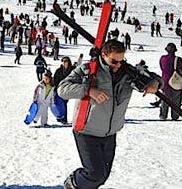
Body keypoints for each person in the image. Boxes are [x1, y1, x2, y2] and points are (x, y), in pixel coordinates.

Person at [59, 39, 160, 189]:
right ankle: (72, 183)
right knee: (95, 174)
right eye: (114, 61)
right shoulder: (88, 70)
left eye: (121, 61)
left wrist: (156, 83)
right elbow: (62, 89)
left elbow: (153, 77)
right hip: (86, 131)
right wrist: (89, 90)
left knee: (103, 176)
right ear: (104, 54)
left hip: (110, 133)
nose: (118, 65)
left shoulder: (128, 73)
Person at [159, 43, 182, 120]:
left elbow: (162, 68)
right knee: (176, 100)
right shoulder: (178, 59)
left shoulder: (162, 58)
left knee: (165, 100)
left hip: (165, 82)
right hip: (176, 82)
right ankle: (175, 116)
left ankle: (163, 116)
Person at [53, 57, 74, 124]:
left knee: (64, 103)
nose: (64, 62)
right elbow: (55, 80)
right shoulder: (59, 70)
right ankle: (60, 116)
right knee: (59, 103)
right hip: (59, 89)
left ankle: (64, 118)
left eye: (66, 61)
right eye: (63, 61)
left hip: (68, 89)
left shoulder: (72, 70)